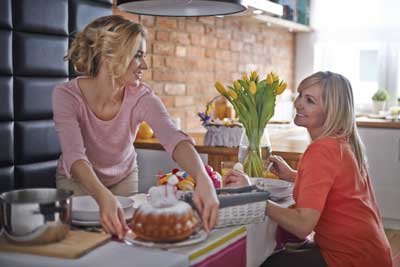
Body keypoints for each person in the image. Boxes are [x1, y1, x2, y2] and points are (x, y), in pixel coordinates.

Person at [52, 15, 219, 239]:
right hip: (78, 181)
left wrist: (203, 179)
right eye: (138, 55)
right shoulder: (66, 95)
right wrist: (103, 196)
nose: (146, 65)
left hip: (123, 177)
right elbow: (74, 156)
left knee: (125, 240)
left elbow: (173, 137)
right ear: (112, 56)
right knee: (84, 242)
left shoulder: (141, 95)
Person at [224, 71, 392, 267]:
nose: (298, 104)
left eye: (310, 100)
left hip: (351, 259)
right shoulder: (342, 142)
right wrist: (292, 175)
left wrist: (254, 197)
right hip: (372, 253)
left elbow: (302, 225)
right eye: (300, 95)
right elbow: (338, 187)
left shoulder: (321, 150)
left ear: (331, 111)